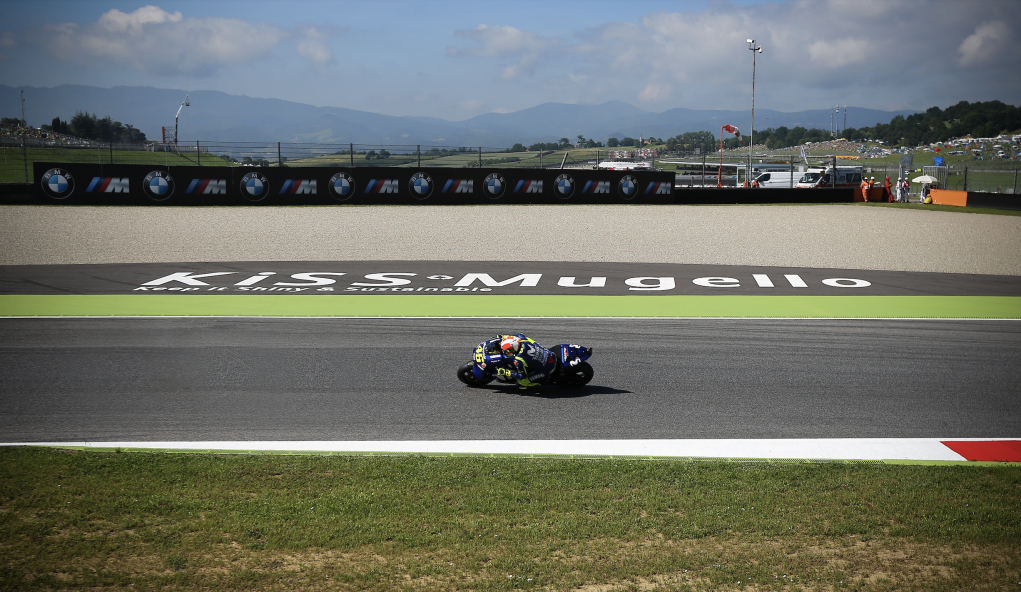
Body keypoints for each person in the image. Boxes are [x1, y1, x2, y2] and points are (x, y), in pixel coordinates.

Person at [492, 334, 559, 389]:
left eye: (507, 351)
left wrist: (507, 372)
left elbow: (522, 376)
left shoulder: (519, 359)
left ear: (513, 348)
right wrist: (504, 338)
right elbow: (519, 335)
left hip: (548, 368)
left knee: (521, 382)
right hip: (550, 354)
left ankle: (541, 381)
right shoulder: (523, 340)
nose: (505, 353)